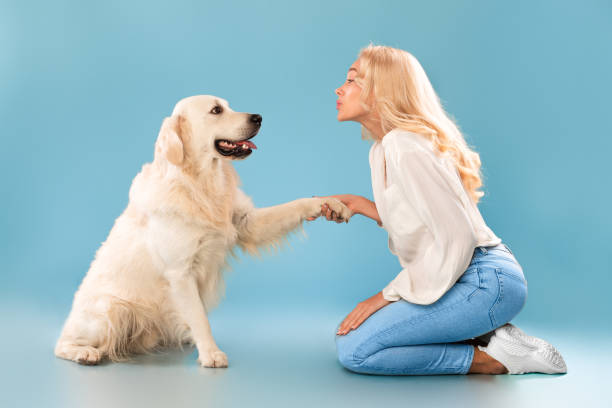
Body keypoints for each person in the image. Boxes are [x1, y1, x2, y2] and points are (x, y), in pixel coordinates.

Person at [310, 45, 567, 375]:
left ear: (381, 91)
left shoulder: (404, 145)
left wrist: (385, 296)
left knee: (356, 350)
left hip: (484, 280)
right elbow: (424, 221)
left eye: (352, 80)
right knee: (356, 342)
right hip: (468, 275)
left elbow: (458, 237)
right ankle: (491, 334)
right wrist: (362, 206)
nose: (339, 88)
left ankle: (494, 359)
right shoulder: (383, 149)